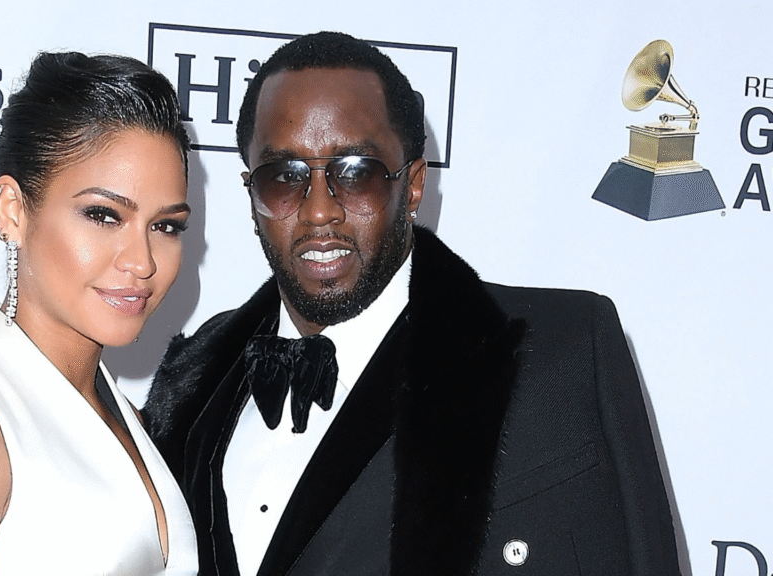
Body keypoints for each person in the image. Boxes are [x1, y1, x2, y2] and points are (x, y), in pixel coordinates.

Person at [143, 31, 681, 576]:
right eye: (284, 177)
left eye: (357, 173)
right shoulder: (196, 376)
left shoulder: (561, 354)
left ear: (414, 185)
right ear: (252, 194)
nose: (320, 211)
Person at [0, 52, 198, 575]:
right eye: (103, 215)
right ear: (13, 210)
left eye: (165, 226)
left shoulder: (124, 419)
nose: (142, 262)